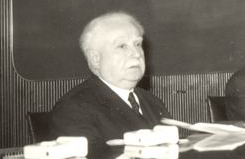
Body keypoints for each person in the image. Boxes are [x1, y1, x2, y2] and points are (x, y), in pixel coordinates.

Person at [50, 12, 169, 149]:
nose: (137, 54)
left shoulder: (154, 103)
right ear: (95, 59)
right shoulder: (73, 110)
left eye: (137, 44)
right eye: (122, 46)